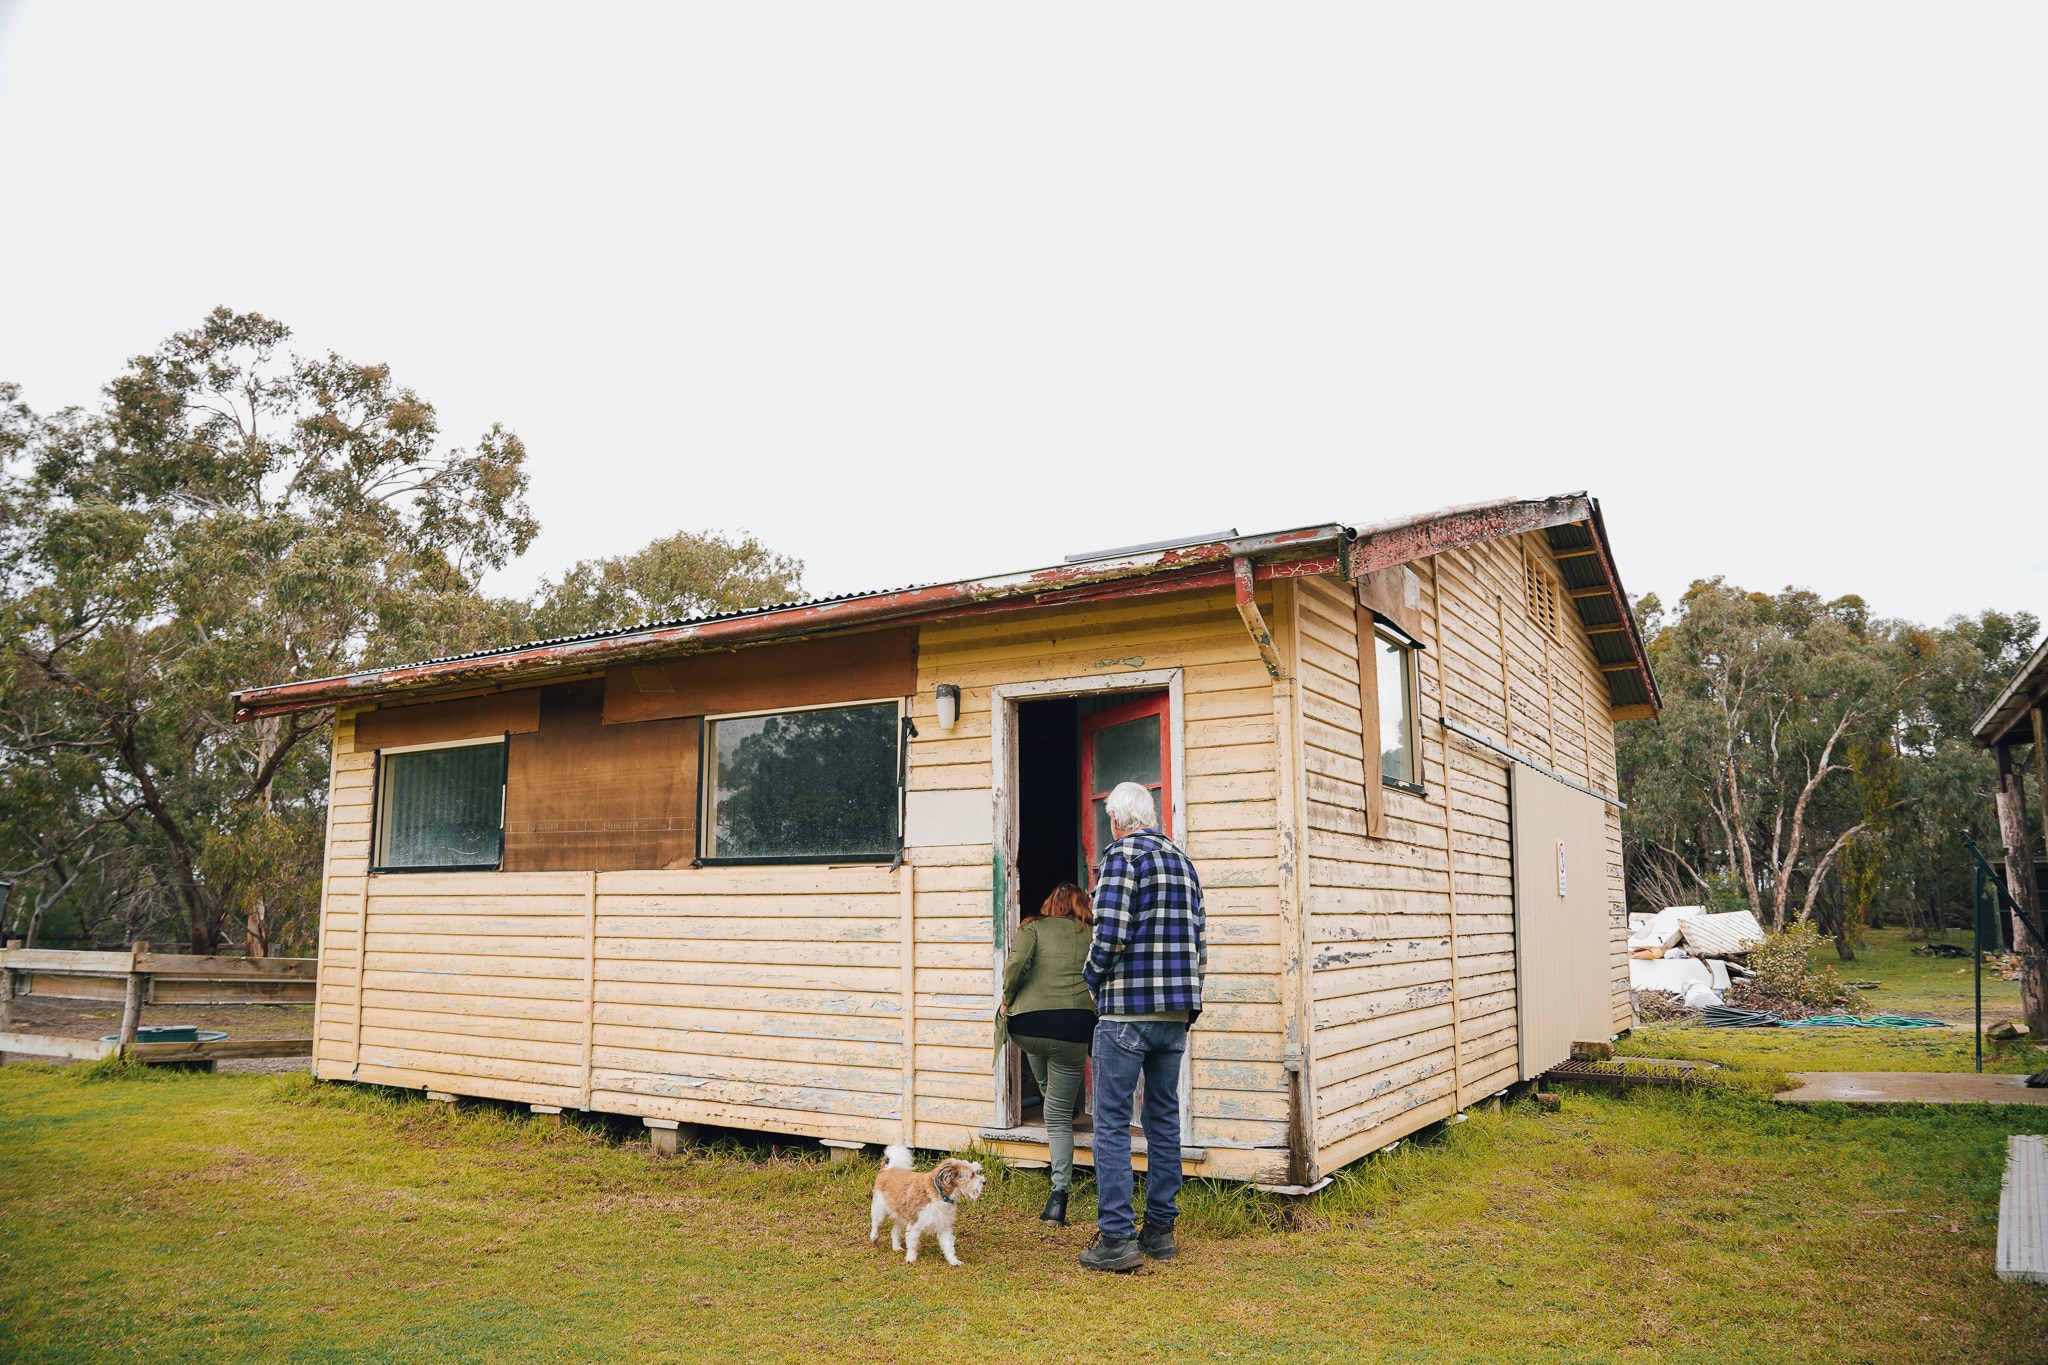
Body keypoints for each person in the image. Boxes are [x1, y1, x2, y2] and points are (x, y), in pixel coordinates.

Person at [1078, 780, 1206, 1273]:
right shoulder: (1183, 860)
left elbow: (1108, 934)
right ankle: (1160, 1231)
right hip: (1175, 1012)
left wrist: (1091, 979)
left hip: (1126, 1011)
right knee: (1162, 1119)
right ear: (1149, 815)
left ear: (1115, 819)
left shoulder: (1120, 857)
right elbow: (1201, 942)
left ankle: (1116, 1238)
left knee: (1111, 1122)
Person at [996, 882, 1097, 1225]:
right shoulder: (1092, 934)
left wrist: (1007, 998)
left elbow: (1015, 966)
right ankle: (1058, 1198)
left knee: (1044, 1071)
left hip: (1029, 1026)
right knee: (1056, 1117)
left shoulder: (1033, 927)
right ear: (1083, 905)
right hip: (1073, 1027)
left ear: (1049, 903)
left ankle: (1048, 1093)